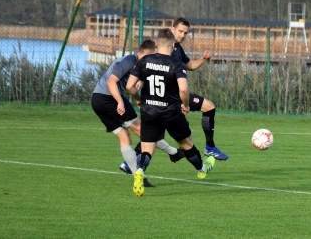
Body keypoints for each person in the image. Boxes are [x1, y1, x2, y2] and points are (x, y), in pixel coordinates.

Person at [126, 28, 215, 197]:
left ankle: (140, 170)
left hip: (149, 112)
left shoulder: (144, 61)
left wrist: (139, 98)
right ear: (173, 44)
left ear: (157, 44)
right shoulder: (176, 64)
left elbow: (129, 86)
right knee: (187, 143)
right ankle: (201, 169)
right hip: (171, 113)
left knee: (147, 149)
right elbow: (183, 89)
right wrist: (186, 105)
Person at [91, 39, 183, 187]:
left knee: (124, 136)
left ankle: (138, 177)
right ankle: (174, 153)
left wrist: (139, 86)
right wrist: (120, 102)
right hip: (108, 98)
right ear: (146, 53)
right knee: (145, 131)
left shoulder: (138, 64)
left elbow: (135, 82)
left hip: (97, 100)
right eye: (153, 55)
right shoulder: (129, 60)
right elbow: (110, 82)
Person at [170, 17, 229, 161]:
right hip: (169, 96)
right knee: (156, 131)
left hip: (180, 94)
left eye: (185, 33)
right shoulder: (164, 47)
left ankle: (209, 147)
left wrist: (202, 59)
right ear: (172, 29)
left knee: (209, 107)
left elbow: (189, 65)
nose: (182, 35)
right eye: (180, 31)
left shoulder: (178, 48)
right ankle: (135, 159)